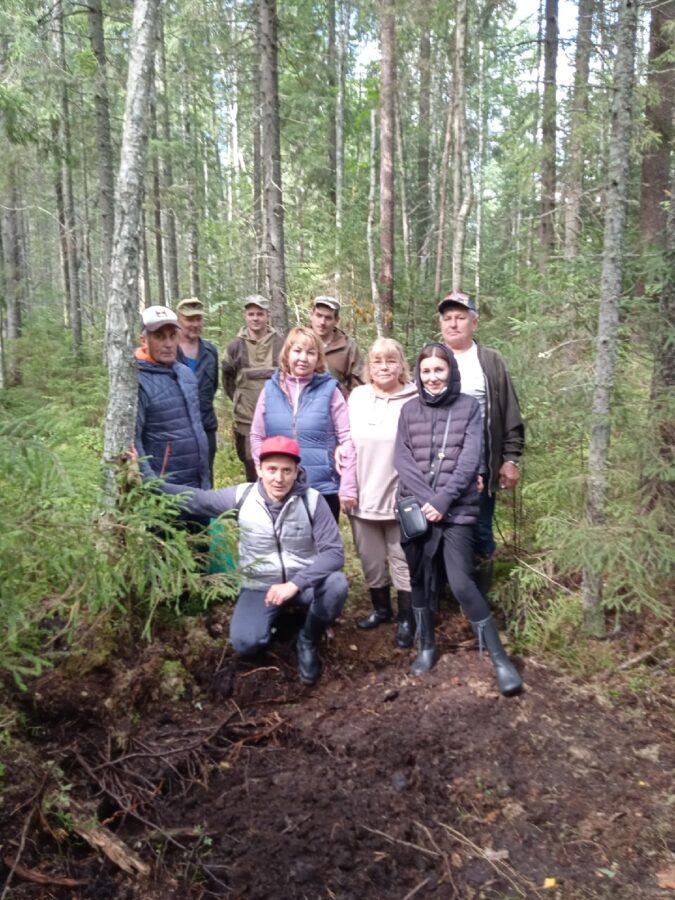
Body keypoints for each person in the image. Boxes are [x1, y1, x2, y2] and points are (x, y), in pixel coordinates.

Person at [161, 436, 348, 686]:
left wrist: (295, 584)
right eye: (271, 469)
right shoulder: (242, 496)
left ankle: (307, 639)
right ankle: (279, 620)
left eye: (286, 471)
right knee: (246, 643)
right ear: (259, 469)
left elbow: (334, 553)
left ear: (297, 472)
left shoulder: (313, 501)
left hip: (302, 585)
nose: (278, 478)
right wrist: (145, 480)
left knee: (336, 584)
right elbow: (197, 500)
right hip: (259, 586)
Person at [394, 342, 522, 696]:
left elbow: (471, 458)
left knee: (461, 582)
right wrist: (426, 501)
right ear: (418, 375)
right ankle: (427, 646)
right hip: (416, 509)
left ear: (450, 370)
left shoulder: (468, 407)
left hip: (459, 508)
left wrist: (444, 500)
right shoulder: (408, 411)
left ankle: (499, 659)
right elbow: (402, 459)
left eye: (439, 370)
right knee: (418, 577)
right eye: (426, 371)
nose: (433, 377)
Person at [438, 290, 525, 596]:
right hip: (438, 467)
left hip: (481, 466)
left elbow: (510, 412)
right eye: (447, 318)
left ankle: (478, 600)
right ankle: (446, 592)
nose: (453, 324)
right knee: (439, 528)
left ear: (474, 323)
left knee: (479, 527)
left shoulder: (490, 361)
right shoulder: (432, 359)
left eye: (460, 317)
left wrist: (511, 459)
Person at [348, 338, 418, 647]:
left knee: (403, 560)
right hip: (362, 495)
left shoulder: (416, 399)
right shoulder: (358, 397)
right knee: (371, 559)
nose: (384, 366)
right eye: (377, 361)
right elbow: (345, 439)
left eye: (391, 360)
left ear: (402, 365)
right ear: (368, 367)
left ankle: (406, 619)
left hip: (402, 499)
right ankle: (381, 609)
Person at [250, 326, 357, 522]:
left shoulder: (330, 390)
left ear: (318, 357)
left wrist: (348, 485)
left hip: (322, 487)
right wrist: (261, 467)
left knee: (323, 548)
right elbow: (257, 435)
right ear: (287, 353)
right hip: (279, 486)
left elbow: (347, 437)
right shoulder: (270, 389)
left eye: (310, 352)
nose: (303, 358)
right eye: (297, 351)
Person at [135, 305, 210, 491]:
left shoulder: (185, 373)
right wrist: (152, 484)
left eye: (172, 335)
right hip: (164, 490)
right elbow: (133, 441)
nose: (168, 344)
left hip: (196, 484)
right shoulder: (137, 381)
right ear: (144, 340)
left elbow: (197, 426)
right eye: (159, 337)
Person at [222, 295, 284, 481]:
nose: (255, 318)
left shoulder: (282, 344)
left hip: (277, 420)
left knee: (278, 465)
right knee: (252, 466)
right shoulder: (234, 347)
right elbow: (228, 381)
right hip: (246, 421)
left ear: (268, 316)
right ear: (245, 316)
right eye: (251, 314)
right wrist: (241, 401)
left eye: (260, 314)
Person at [175, 297, 219, 482]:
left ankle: (208, 511)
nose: (194, 324)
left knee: (206, 476)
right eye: (189, 319)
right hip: (178, 428)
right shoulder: (170, 351)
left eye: (198, 319)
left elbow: (214, 386)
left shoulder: (210, 352)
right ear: (179, 320)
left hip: (205, 426)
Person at [309, 295, 364, 395]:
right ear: (311, 315)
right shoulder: (298, 341)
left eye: (328, 318)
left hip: (336, 406)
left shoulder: (348, 347)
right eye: (319, 315)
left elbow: (359, 384)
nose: (322, 322)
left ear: (336, 320)